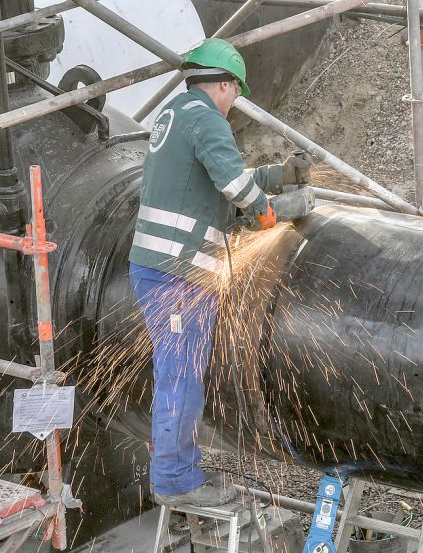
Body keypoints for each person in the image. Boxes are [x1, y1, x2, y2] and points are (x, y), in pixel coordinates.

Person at [129, 38, 310, 507]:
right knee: (181, 375)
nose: (234, 103)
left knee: (179, 372)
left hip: (165, 269)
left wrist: (278, 175)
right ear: (225, 85)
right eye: (235, 92)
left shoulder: (178, 112)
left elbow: (219, 176)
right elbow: (234, 186)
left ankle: (177, 470)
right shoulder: (206, 118)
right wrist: (273, 212)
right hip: (177, 275)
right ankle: (174, 481)